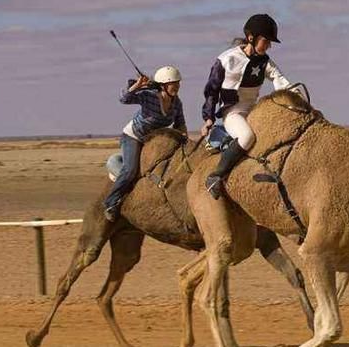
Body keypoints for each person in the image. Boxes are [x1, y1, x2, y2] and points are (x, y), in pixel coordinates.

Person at [200, 14, 291, 199]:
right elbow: (211, 90)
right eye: (266, 41)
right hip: (233, 112)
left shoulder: (265, 61)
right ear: (251, 37)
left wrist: (294, 96)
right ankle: (216, 176)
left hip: (254, 110)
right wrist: (208, 117)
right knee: (247, 137)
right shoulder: (227, 59)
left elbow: (279, 80)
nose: (268, 46)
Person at [104, 65, 187, 222]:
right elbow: (124, 99)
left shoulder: (177, 103)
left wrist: (185, 141)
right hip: (133, 137)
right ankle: (110, 202)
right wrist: (137, 86)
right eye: (173, 83)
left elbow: (180, 125)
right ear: (163, 85)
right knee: (130, 170)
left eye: (178, 83)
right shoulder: (149, 96)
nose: (177, 86)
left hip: (154, 141)